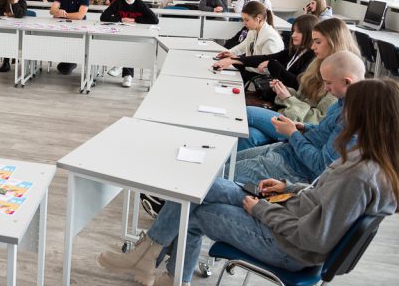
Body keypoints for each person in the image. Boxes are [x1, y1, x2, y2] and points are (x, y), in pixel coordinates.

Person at [98, 70, 395, 286]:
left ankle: (154, 263)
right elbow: (322, 196)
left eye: (348, 108)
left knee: (195, 211)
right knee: (199, 186)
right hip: (288, 215)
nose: (341, 114)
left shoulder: (358, 175)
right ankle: (150, 259)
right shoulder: (371, 160)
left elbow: (313, 237)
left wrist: (261, 209)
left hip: (287, 244)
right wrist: (289, 188)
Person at [235, 51, 365, 185]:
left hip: (292, 168)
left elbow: (321, 165)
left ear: (347, 81)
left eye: (328, 83)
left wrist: (293, 134)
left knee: (222, 173)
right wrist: (305, 127)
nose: (326, 88)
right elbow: (324, 130)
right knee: (225, 160)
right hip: (287, 150)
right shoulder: (342, 102)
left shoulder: (351, 118)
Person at [235, 18, 361, 150]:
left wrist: (288, 98)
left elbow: (318, 120)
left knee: (247, 113)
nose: (312, 47)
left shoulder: (341, 78)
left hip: (303, 128)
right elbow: (303, 96)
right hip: (292, 118)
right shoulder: (317, 63)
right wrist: (285, 91)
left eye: (318, 42)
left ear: (334, 43)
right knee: (250, 136)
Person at [216, 14, 317, 90]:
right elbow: (264, 58)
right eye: (293, 31)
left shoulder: (312, 57)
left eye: (299, 32)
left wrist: (271, 63)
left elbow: (296, 84)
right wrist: (234, 59)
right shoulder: (296, 50)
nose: (293, 35)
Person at [100, 0, 159, 87]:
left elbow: (155, 20)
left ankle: (123, 69)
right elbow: (103, 17)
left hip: (135, 35)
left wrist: (135, 19)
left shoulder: (140, 4)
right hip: (120, 33)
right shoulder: (119, 2)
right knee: (122, 43)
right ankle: (125, 72)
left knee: (129, 44)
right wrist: (120, 19)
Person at [214, 1, 283, 82]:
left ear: (258, 18)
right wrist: (228, 53)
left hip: (262, 78)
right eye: (243, 20)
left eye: (247, 20)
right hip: (251, 71)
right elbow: (242, 46)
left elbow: (266, 69)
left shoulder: (270, 39)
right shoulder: (253, 31)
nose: (244, 23)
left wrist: (237, 60)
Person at [51, 0, 90, 75]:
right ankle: (67, 60)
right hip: (63, 26)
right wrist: (57, 12)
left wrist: (62, 14)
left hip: (78, 28)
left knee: (65, 69)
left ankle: (71, 61)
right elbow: (52, 10)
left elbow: (80, 16)